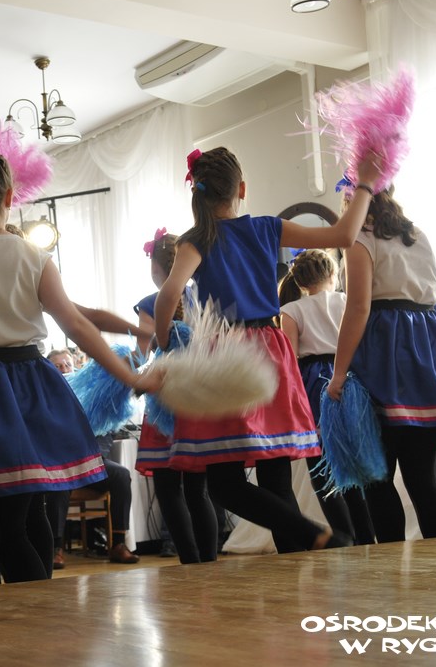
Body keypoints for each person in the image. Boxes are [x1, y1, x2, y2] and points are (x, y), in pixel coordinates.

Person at [0, 148, 160, 588]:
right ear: (10, 196)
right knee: (23, 519)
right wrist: (130, 376)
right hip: (26, 387)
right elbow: (77, 325)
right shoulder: (33, 257)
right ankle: (39, 614)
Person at [154, 147, 377, 552]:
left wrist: (168, 342)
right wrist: (364, 184)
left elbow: (168, 296)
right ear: (241, 189)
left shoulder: (195, 240)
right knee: (276, 477)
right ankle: (303, 550)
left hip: (225, 356)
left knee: (223, 484)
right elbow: (344, 236)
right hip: (270, 351)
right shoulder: (266, 228)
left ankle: (311, 534)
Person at [326, 178, 436, 541]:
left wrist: (338, 374)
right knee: (424, 477)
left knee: (378, 478)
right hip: (428, 348)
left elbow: (358, 307)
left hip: (385, 351)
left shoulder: (362, 237)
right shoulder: (416, 234)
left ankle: (390, 561)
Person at [278, 248, 375, 545]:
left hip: (312, 383)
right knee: (353, 461)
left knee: (320, 466)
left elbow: (290, 359)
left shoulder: (290, 310)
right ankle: (366, 536)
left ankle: (343, 536)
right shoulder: (346, 300)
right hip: (348, 374)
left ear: (300, 282)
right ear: (333, 273)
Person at [135, 230, 217, 564]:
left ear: (156, 267)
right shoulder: (204, 298)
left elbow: (141, 356)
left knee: (168, 488)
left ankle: (190, 561)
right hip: (198, 395)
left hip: (164, 399)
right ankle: (208, 561)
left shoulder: (151, 303)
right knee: (199, 490)